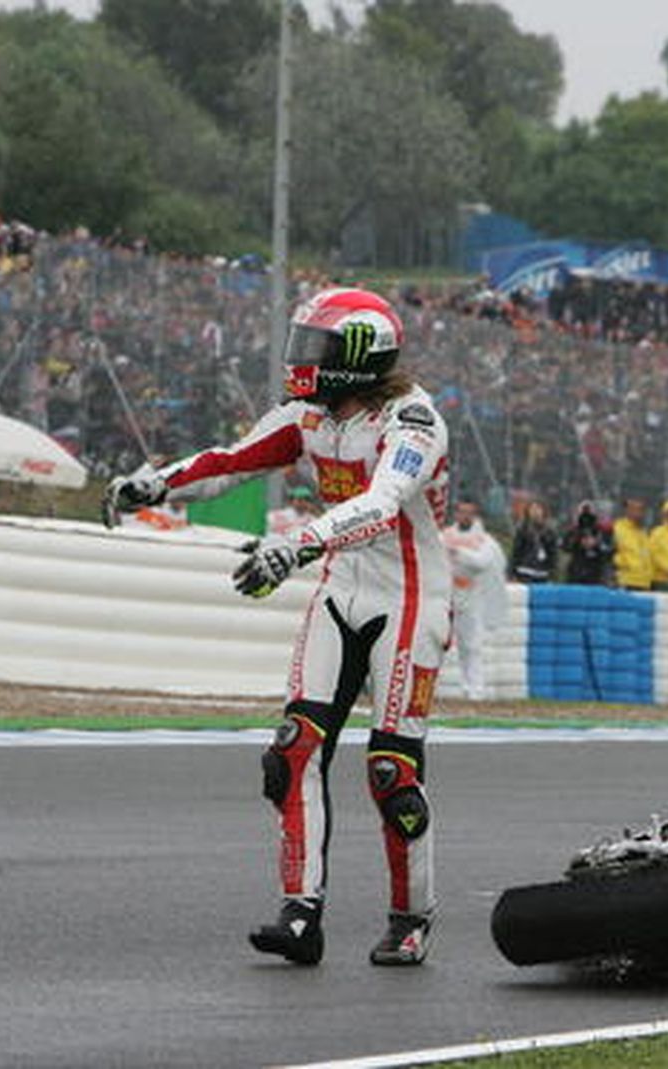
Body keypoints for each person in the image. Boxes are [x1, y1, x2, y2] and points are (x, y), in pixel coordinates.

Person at [101, 287, 447, 967]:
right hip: (341, 587)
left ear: (358, 354)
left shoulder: (413, 420)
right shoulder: (307, 416)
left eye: (317, 346)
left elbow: (383, 503)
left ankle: (411, 914)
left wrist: (297, 544)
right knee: (292, 751)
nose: (301, 358)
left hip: (411, 599)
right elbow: (232, 459)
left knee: (391, 772)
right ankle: (300, 913)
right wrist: (156, 484)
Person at [441, 497, 507, 700]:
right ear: (456, 513)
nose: (465, 516)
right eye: (462, 511)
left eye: (469, 512)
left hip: (471, 596)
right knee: (441, 642)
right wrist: (462, 556)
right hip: (447, 594)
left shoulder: (483, 539)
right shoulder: (446, 535)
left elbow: (482, 562)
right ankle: (455, 686)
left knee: (471, 644)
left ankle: (476, 688)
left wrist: (458, 553)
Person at [509, 500, 559, 584]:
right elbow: (516, 551)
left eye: (538, 508)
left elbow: (553, 554)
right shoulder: (522, 528)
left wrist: (553, 573)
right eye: (532, 508)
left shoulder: (549, 531)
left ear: (543, 511)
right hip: (524, 571)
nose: (535, 511)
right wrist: (512, 572)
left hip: (542, 573)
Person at [563, 502, 612, 585]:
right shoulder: (573, 531)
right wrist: (578, 540)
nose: (586, 518)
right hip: (576, 575)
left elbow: (608, 551)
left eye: (589, 514)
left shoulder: (601, 531)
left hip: (596, 576)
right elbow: (566, 547)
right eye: (583, 514)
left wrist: (596, 543)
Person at [611, 496, 652, 592]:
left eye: (641, 509)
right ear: (627, 510)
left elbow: (647, 555)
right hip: (626, 581)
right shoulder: (617, 528)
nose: (638, 513)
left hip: (644, 582)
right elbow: (612, 551)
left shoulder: (642, 532)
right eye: (634, 509)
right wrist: (624, 565)